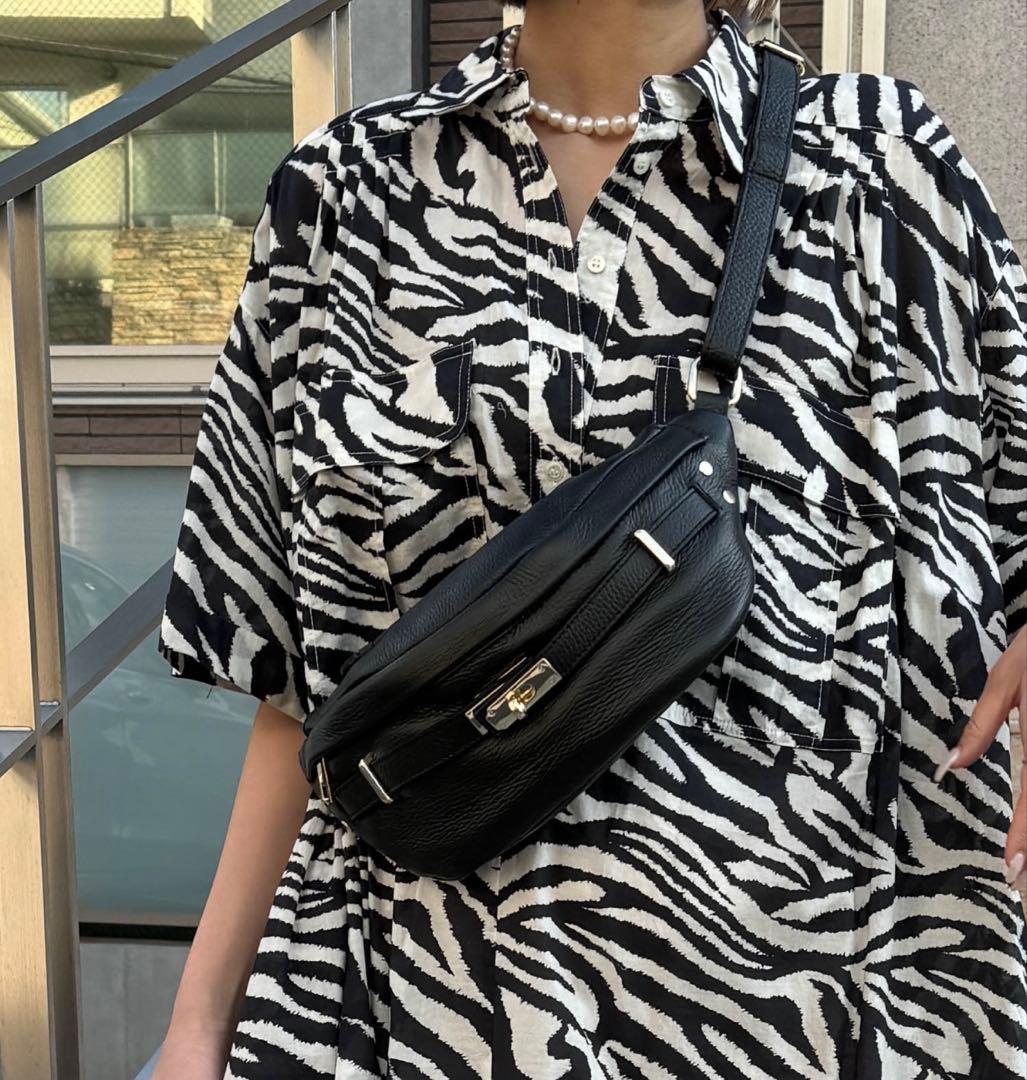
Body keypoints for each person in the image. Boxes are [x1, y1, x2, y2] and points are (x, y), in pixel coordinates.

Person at [152, 1, 1027, 1077]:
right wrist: (197, 1025)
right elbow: (301, 681)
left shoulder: (881, 169)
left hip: (806, 1000)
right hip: (416, 1001)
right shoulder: (344, 196)